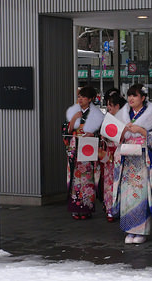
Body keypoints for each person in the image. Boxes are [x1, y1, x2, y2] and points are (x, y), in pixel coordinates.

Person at [113, 84, 152, 244]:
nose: (131, 98)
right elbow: (115, 138)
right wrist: (119, 134)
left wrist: (141, 131)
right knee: (128, 196)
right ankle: (129, 229)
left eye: (135, 95)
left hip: (142, 160)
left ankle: (141, 230)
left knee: (140, 195)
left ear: (143, 97)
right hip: (128, 160)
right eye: (129, 95)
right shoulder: (123, 115)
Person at [63, 86, 104, 220]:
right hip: (76, 148)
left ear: (91, 99)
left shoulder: (96, 114)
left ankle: (86, 209)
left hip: (89, 148)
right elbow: (66, 131)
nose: (80, 99)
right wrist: (74, 119)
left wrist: (94, 134)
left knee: (88, 179)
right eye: (79, 96)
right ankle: (76, 208)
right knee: (76, 179)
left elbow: (103, 132)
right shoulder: (74, 112)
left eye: (84, 97)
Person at [99, 88, 126, 222]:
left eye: (111, 105)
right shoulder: (108, 119)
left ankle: (120, 208)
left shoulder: (125, 119)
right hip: (109, 153)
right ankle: (110, 209)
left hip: (120, 152)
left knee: (120, 181)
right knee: (109, 182)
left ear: (118, 106)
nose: (109, 107)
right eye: (108, 105)